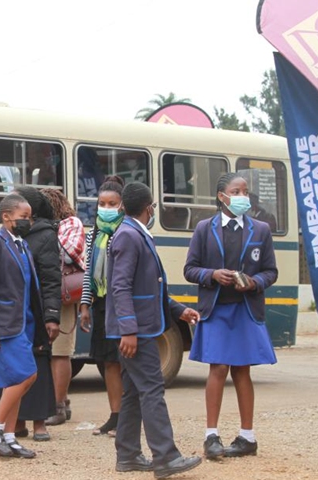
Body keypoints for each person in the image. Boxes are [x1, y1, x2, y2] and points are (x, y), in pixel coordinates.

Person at [107, 181, 202, 477]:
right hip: (140, 330)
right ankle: (165, 456)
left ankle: (128, 455)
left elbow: (149, 286)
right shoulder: (129, 236)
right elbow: (120, 286)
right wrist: (129, 330)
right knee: (152, 391)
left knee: (135, 392)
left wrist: (177, 310)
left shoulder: (134, 233)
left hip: (144, 325)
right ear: (149, 208)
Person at [184, 172, 278, 459]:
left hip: (246, 308)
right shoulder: (204, 228)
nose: (242, 197)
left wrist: (254, 282)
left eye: (245, 191)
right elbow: (190, 269)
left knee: (242, 370)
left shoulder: (260, 229)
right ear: (221, 196)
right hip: (216, 308)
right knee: (218, 369)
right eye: (236, 191)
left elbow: (271, 272)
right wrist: (212, 274)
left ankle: (247, 437)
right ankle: (211, 436)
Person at [0, 194, 41, 459]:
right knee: (27, 375)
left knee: (16, 380)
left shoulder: (22, 245)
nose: (28, 221)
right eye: (24, 217)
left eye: (29, 217)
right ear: (5, 217)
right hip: (2, 325)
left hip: (23, 323)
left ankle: (10, 437)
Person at [10, 186, 60, 441]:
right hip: (12, 313)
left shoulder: (46, 235)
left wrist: (52, 316)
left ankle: (40, 422)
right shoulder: (5, 234)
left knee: (38, 365)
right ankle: (16, 421)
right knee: (14, 366)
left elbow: (52, 278)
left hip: (37, 312)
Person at [79, 175, 125, 436]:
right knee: (108, 362)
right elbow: (88, 274)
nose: (106, 208)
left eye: (112, 203)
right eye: (102, 204)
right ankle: (115, 416)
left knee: (125, 361)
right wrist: (85, 305)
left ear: (122, 205)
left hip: (123, 303)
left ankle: (129, 417)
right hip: (101, 303)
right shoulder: (93, 233)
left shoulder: (127, 230)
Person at [41, 187, 86, 425]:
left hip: (62, 294)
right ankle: (61, 400)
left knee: (60, 352)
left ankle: (57, 406)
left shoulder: (72, 223)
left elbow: (69, 253)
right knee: (46, 352)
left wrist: (44, 237)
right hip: (44, 292)